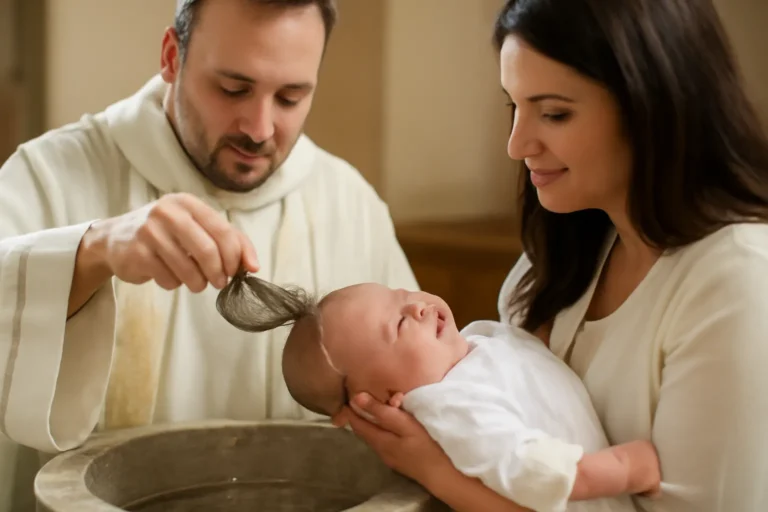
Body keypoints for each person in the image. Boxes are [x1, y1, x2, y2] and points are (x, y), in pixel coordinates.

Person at [330, 1, 768, 511]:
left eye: (554, 113)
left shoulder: (737, 280)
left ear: (652, 103)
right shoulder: (560, 257)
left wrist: (435, 470)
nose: (517, 145)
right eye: (513, 107)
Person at [0, 0, 418, 509]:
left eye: (290, 97)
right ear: (172, 57)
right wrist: (88, 253)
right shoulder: (51, 174)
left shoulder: (350, 204)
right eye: (233, 89)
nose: (260, 128)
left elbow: (427, 394)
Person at [215, 272, 659, 511]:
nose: (418, 304)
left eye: (400, 293)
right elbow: (527, 469)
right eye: (401, 323)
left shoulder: (478, 342)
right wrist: (622, 470)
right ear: (387, 398)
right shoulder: (448, 405)